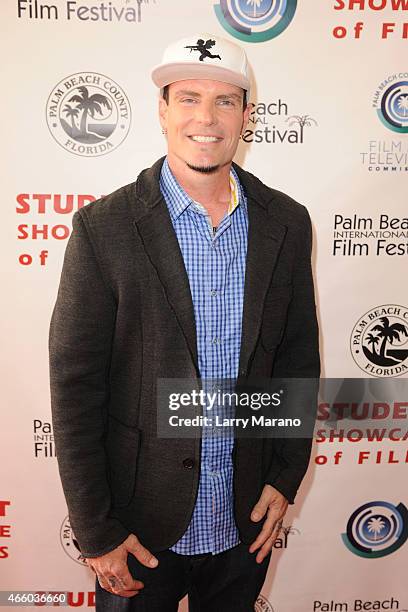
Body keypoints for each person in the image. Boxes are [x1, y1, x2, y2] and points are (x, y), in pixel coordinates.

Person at [49, 33, 320, 611]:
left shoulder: (287, 222)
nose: (207, 117)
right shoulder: (105, 228)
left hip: (243, 520)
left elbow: (297, 359)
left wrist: (285, 474)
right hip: (137, 529)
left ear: (247, 114)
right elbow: (75, 388)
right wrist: (96, 530)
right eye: (189, 98)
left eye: (225, 101)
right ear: (163, 109)